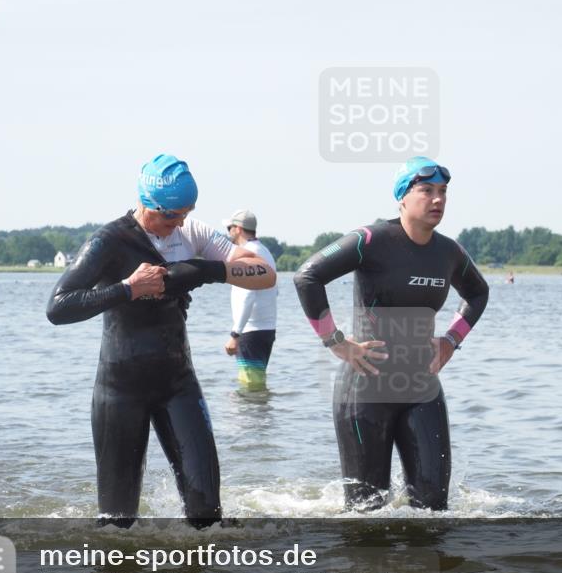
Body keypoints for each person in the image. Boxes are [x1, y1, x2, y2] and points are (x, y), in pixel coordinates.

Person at [46, 154, 276, 527]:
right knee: (116, 525)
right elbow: (58, 308)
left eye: (186, 212)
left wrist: (206, 270)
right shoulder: (109, 241)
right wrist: (127, 289)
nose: (178, 223)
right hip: (119, 391)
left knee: (207, 518)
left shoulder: (192, 233)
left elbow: (265, 274)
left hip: (177, 385)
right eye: (171, 215)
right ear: (146, 203)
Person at [294, 156, 489, 511]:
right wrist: (336, 342)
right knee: (366, 515)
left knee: (433, 510)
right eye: (426, 190)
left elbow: (478, 293)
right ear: (402, 196)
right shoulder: (370, 240)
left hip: (422, 387)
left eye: (443, 192)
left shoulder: (448, 252)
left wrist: (450, 340)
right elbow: (307, 276)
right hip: (366, 388)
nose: (438, 200)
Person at [223, 210, 278, 390]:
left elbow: (247, 296)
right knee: (257, 385)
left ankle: (250, 419)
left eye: (229, 228)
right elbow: (275, 290)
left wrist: (235, 334)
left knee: (250, 388)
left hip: (251, 331)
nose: (227, 232)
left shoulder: (246, 256)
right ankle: (260, 418)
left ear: (238, 229)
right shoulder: (264, 252)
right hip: (266, 329)